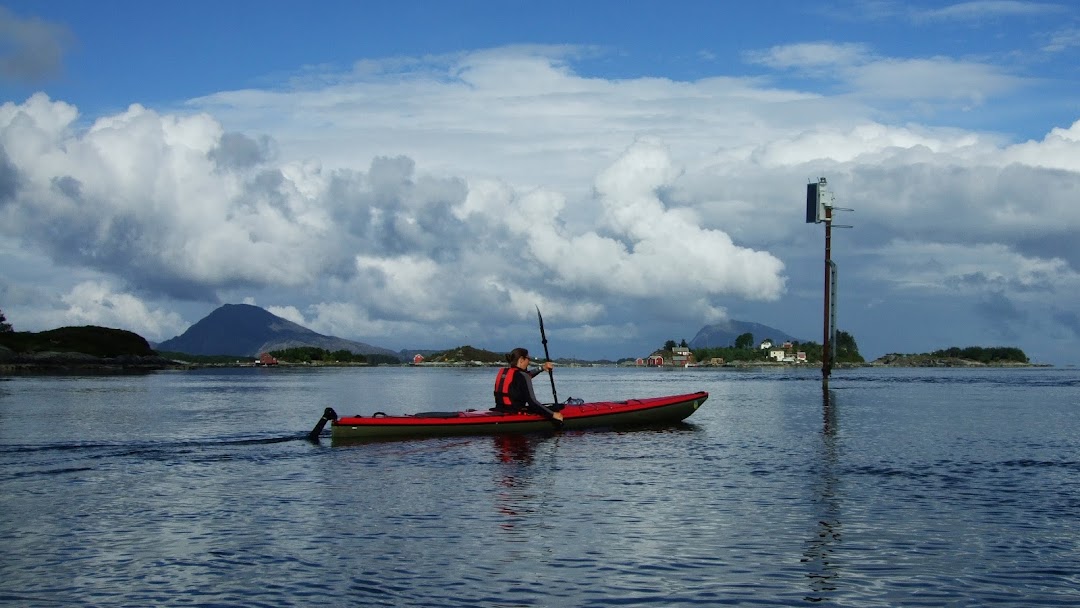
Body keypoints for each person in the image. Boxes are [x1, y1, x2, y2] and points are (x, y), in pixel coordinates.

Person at [492, 347, 564, 423]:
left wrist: (542, 368)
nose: (529, 362)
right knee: (555, 408)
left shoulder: (504, 372)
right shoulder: (522, 376)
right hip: (516, 414)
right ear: (521, 359)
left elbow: (526, 376)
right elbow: (533, 403)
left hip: (499, 410)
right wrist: (553, 414)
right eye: (528, 359)